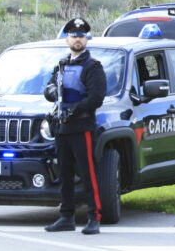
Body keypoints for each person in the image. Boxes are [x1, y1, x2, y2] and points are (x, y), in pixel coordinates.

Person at [43, 17, 107, 235]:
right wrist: (52, 92)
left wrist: (75, 109)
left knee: (89, 174)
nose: (77, 39)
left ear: (86, 39)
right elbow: (49, 89)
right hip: (62, 128)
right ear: (66, 39)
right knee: (65, 174)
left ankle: (94, 217)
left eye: (81, 36)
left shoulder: (93, 67)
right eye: (73, 36)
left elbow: (96, 98)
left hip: (82, 127)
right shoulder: (61, 65)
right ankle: (66, 217)